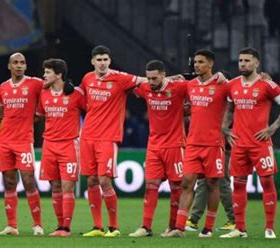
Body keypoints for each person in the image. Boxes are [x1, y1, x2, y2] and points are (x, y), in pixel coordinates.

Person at [79, 45, 146, 237]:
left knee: (104, 180)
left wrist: (169, 79)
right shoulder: (87, 78)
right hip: (88, 136)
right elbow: (83, 101)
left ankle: (114, 227)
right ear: (92, 61)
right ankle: (97, 227)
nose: (102, 63)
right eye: (98, 60)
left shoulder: (120, 78)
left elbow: (144, 80)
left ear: (110, 61)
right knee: (91, 180)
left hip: (107, 138)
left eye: (105, 60)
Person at [220, 47, 280, 239]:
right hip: (239, 143)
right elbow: (230, 109)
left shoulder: (268, 85)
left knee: (267, 182)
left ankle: (270, 228)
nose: (243, 64)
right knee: (238, 184)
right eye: (240, 60)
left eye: (247, 61)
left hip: (261, 143)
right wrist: (225, 128)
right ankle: (240, 229)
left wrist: (272, 128)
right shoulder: (232, 85)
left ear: (257, 63)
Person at [163, 49, 229, 238]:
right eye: (196, 62)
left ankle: (207, 228)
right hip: (192, 144)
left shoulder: (223, 85)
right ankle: (179, 228)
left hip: (214, 144)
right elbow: (162, 85)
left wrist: (264, 76)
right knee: (186, 183)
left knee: (212, 184)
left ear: (211, 64)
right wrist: (170, 77)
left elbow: (244, 86)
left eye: (201, 62)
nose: (196, 65)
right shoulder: (189, 85)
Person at [129, 60, 187, 237]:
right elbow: (130, 87)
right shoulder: (146, 88)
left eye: (155, 78)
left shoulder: (179, 87)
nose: (151, 82)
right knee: (151, 185)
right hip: (154, 145)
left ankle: (173, 226)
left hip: (175, 145)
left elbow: (202, 91)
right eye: (149, 78)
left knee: (176, 186)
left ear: (162, 74)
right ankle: (146, 227)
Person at [0, 53, 44, 236]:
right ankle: (12, 226)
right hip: (5, 141)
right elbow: (1, 114)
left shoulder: (35, 84)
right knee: (9, 182)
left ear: (26, 66)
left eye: (22, 62)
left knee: (29, 181)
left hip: (24, 141)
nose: (19, 65)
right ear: (9, 66)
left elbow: (48, 100)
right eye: (15, 63)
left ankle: (37, 225)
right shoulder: (3, 87)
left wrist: (33, 119)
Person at [36, 58, 86, 236]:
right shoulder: (43, 93)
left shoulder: (76, 94)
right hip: (48, 145)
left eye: (48, 72)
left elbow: (93, 111)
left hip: (69, 145)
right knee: (55, 186)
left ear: (59, 74)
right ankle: (59, 226)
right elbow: (40, 115)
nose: (44, 75)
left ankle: (66, 227)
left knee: (67, 187)